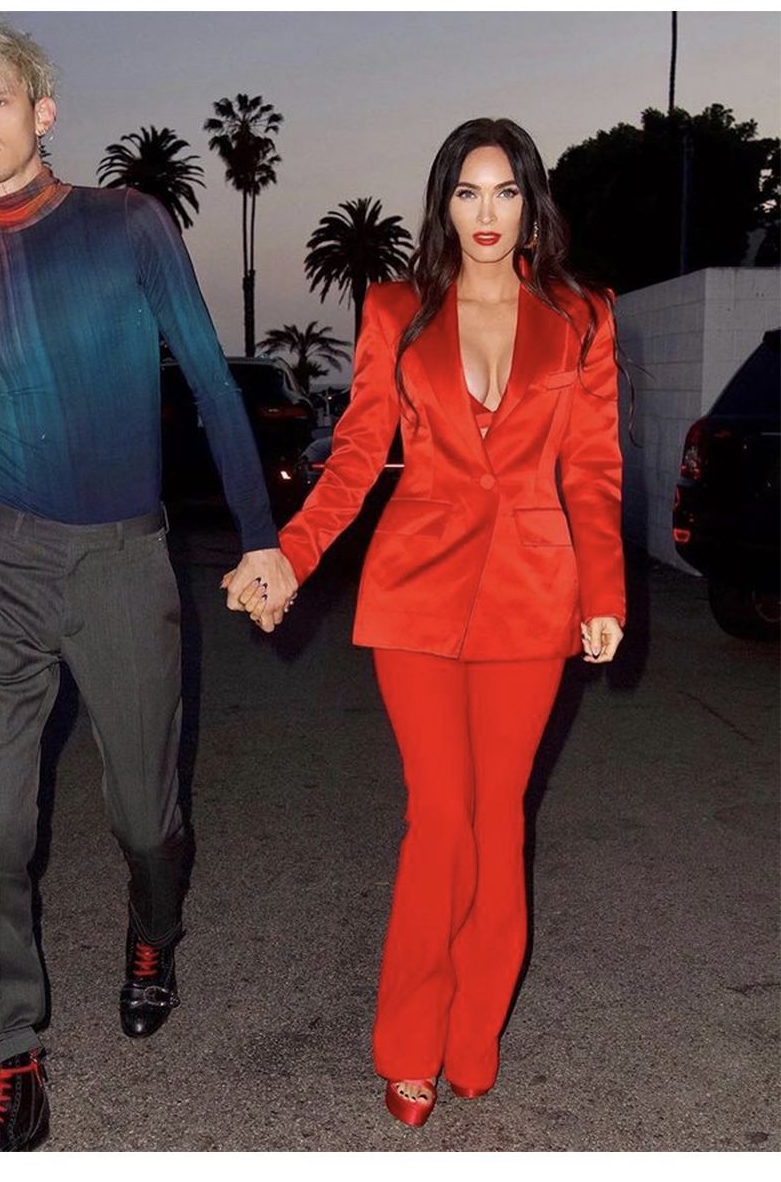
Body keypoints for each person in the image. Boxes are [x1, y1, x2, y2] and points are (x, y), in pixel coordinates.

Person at [0, 20, 297, 1151]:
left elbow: (213, 384)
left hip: (124, 559)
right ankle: (9, 1059)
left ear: (42, 111)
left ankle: (153, 927)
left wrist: (260, 538)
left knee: (144, 815)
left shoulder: (129, 225)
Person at [231, 117, 625, 1127]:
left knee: (499, 821)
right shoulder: (397, 309)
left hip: (532, 596)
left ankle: (474, 1028)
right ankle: (409, 1044)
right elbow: (358, 454)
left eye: (505, 191)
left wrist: (603, 592)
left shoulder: (582, 314)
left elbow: (591, 466)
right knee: (440, 816)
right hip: (416, 592)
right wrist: (292, 553)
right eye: (467, 191)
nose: (486, 213)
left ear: (531, 202)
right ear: (443, 202)